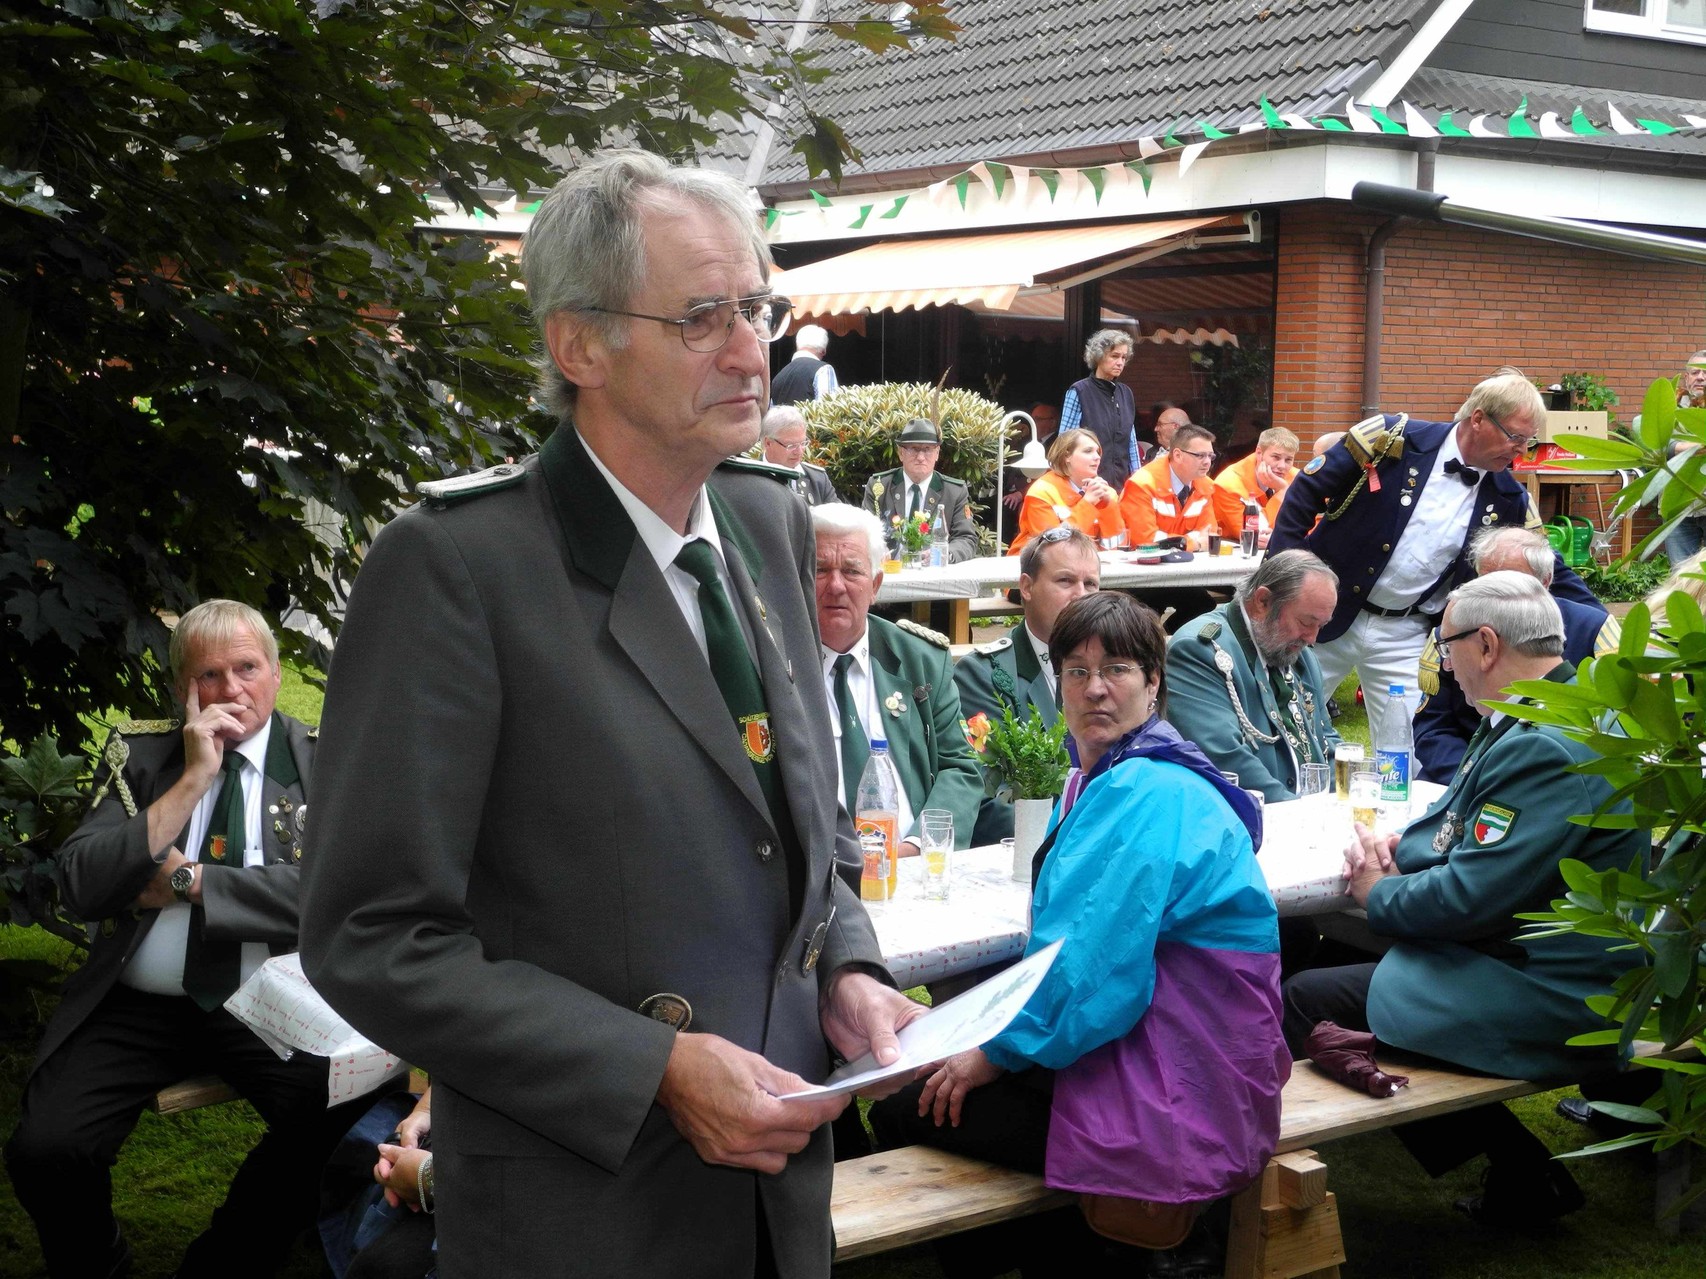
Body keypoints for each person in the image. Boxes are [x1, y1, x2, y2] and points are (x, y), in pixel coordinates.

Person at [298, 149, 922, 1278]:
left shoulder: (769, 521)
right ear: (578, 345)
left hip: (777, 1199)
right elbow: (371, 936)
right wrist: (657, 1067)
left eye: (757, 306)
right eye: (700, 317)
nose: (751, 351)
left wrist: (849, 972)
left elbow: (800, 832)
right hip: (588, 1210)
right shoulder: (459, 567)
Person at [870, 592, 1285, 1277]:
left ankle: (1065, 1253)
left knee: (909, 1104)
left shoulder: (1143, 792)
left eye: (1118, 668)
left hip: (1172, 1098)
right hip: (1192, 1064)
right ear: (1057, 682)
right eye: (1076, 670)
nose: (1095, 687)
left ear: (1154, 683)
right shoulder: (1132, 776)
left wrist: (992, 1053)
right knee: (948, 1075)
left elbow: (1094, 976)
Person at [1281, 572, 1647, 1226]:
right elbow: (1461, 827)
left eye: (1445, 648)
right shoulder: (1547, 710)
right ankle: (1519, 1167)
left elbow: (1469, 898)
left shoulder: (1546, 742)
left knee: (1306, 996)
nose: (1442, 666)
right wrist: (1401, 850)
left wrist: (1379, 888)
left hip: (1554, 991)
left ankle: (1271, 1202)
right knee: (1333, 955)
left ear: (1485, 644)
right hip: (1540, 962)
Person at [6, 600, 339, 1279]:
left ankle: (227, 1262)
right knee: (46, 1147)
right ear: (183, 687)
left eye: (247, 668)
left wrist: (191, 879)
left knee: (336, 1104)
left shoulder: (322, 763)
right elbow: (79, 883)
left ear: (275, 673)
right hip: (139, 1002)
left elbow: (335, 893)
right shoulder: (145, 757)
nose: (230, 689)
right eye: (208, 674)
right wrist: (191, 782)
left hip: (266, 997)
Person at [1268, 370, 1598, 733]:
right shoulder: (1390, 437)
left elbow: (1550, 568)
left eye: (1529, 441)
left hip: (1406, 631)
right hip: (1327, 613)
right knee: (1282, 720)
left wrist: (1602, 623)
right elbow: (1304, 493)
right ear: (1478, 419)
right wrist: (1288, 583)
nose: (1521, 451)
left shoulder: (1510, 499)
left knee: (1409, 745)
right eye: (1515, 437)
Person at [813, 503, 983, 857]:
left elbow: (959, 768)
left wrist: (919, 844)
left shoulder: (921, 661)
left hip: (911, 866)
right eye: (820, 569)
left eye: (852, 570)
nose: (836, 585)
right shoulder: (775, 663)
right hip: (818, 875)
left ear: (875, 585)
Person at [1413, 526, 1618, 784]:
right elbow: (1433, 729)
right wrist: (1469, 780)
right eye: (1486, 582)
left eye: (1511, 583)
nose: (1495, 595)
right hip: (1458, 778)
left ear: (1545, 582)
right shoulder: (1450, 634)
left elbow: (1615, 728)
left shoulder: (1593, 630)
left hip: (1554, 781)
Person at [955, 526, 1101, 843]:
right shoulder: (985, 674)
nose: (1081, 595)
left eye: (1090, 583)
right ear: (1027, 587)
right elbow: (989, 799)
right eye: (1065, 581)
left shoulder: (1114, 674)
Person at [1165, 550, 1341, 803]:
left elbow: (1324, 737)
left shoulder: (1298, 653)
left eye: (1320, 626)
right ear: (1263, 601)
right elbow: (1225, 758)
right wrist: (1299, 815)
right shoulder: (1199, 650)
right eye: (1306, 621)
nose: (1312, 638)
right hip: (1255, 819)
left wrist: (1351, 797)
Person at [860, 418, 980, 563]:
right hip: (890, 572)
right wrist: (878, 550)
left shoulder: (954, 492)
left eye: (927, 450)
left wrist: (945, 554)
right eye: (914, 449)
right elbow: (864, 532)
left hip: (935, 576)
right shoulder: (880, 486)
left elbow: (966, 538)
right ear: (901, 453)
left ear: (937, 453)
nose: (921, 457)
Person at [1005, 427, 1124, 556]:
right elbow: (1053, 548)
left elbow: (1117, 548)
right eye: (1088, 451)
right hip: (1033, 569)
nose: (1097, 457)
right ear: (1066, 456)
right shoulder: (1042, 492)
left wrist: (1109, 507)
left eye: (1098, 452)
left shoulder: (1106, 492)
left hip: (1085, 566)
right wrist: (1087, 503)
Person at [1119, 421, 1222, 551]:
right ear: (1178, 455)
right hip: (1146, 565)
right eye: (1200, 456)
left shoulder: (1205, 484)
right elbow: (1144, 540)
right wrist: (1193, 544)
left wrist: (1171, 540)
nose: (1207, 462)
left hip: (1187, 562)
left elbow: (1209, 534)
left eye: (1210, 456)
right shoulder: (1142, 485)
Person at [1060, 329, 1140, 489]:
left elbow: (1131, 442)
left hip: (1121, 485)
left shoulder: (1126, 393)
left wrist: (1138, 479)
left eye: (1124, 357)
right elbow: (1064, 444)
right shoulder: (1079, 391)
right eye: (1115, 356)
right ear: (1098, 356)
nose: (1120, 362)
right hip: (1086, 485)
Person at [1210, 427, 1300, 547]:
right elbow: (1254, 535)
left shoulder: (1298, 478)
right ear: (1259, 453)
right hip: (1236, 551)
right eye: (1276, 457)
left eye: (1288, 460)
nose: (1282, 466)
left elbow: (1308, 526)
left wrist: (1279, 538)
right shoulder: (1228, 484)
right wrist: (1282, 492)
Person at [1661, 350, 1706, 565]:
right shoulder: (1669, 408)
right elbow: (1657, 444)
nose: (1700, 377)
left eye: (1705, 372)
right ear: (1686, 378)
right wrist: (1688, 447)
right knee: (1680, 578)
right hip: (1678, 506)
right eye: (1695, 372)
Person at [760, 404, 837, 505]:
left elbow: (838, 518)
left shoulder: (818, 479)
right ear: (768, 443)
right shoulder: (750, 479)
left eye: (803, 443)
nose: (799, 451)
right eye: (791, 445)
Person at [769, 321, 838, 405]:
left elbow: (771, 413)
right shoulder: (824, 370)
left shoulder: (777, 378)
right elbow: (829, 409)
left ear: (798, 345)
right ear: (823, 351)